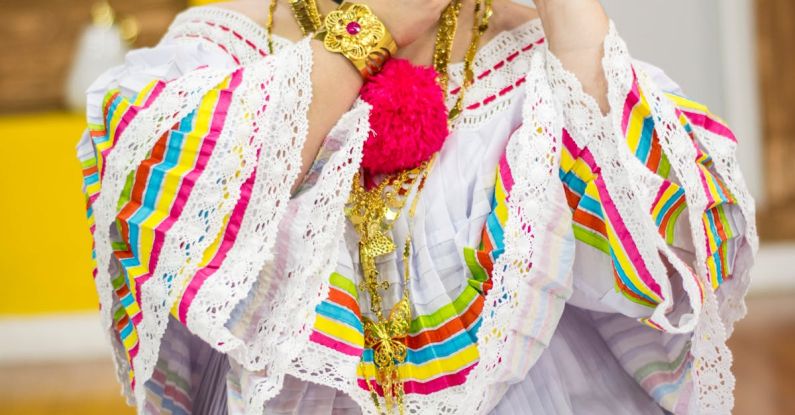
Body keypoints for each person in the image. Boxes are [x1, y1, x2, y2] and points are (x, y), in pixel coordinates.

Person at [76, 0, 757, 413]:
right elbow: (164, 202)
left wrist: (576, 26)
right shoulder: (233, 44)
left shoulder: (539, 56)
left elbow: (680, 247)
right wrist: (366, 30)